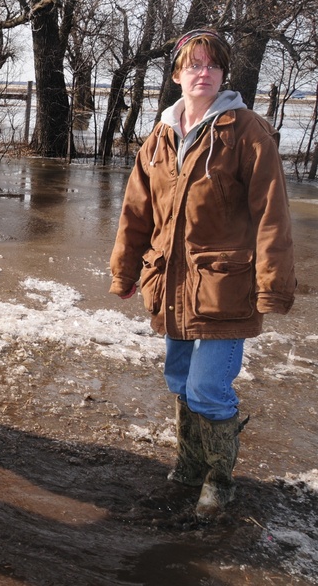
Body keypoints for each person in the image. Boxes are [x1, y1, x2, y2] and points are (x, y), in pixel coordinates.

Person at [109, 29, 296, 518]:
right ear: (177, 74)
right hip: (170, 285)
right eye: (194, 64)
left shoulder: (246, 130)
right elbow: (136, 212)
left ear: (222, 74)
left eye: (213, 64)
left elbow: (272, 212)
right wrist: (125, 272)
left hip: (225, 289)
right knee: (178, 378)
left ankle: (220, 480)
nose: (204, 72)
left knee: (207, 388)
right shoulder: (160, 136)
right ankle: (190, 466)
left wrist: (272, 285)